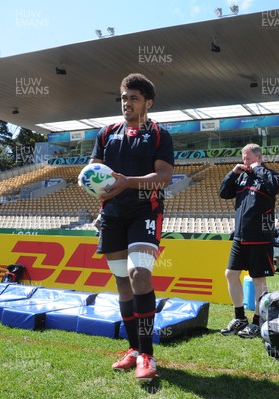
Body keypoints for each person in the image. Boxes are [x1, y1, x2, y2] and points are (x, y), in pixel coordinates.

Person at [88, 73, 174, 382]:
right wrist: (89, 180)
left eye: (133, 98)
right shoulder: (106, 132)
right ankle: (134, 350)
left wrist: (126, 182)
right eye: (124, 97)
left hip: (145, 212)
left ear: (148, 103)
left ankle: (148, 354)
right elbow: (93, 169)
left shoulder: (160, 135)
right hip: (112, 215)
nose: (127, 103)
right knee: (123, 282)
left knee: (140, 274)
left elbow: (164, 177)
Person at [219, 143, 279, 339]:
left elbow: (276, 187)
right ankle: (240, 317)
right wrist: (232, 172)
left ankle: (258, 321)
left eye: (247, 158)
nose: (244, 162)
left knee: (259, 281)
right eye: (243, 158)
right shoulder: (240, 176)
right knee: (231, 274)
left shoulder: (271, 175)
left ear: (258, 157)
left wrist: (258, 169)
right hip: (240, 237)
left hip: (260, 238)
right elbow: (224, 193)